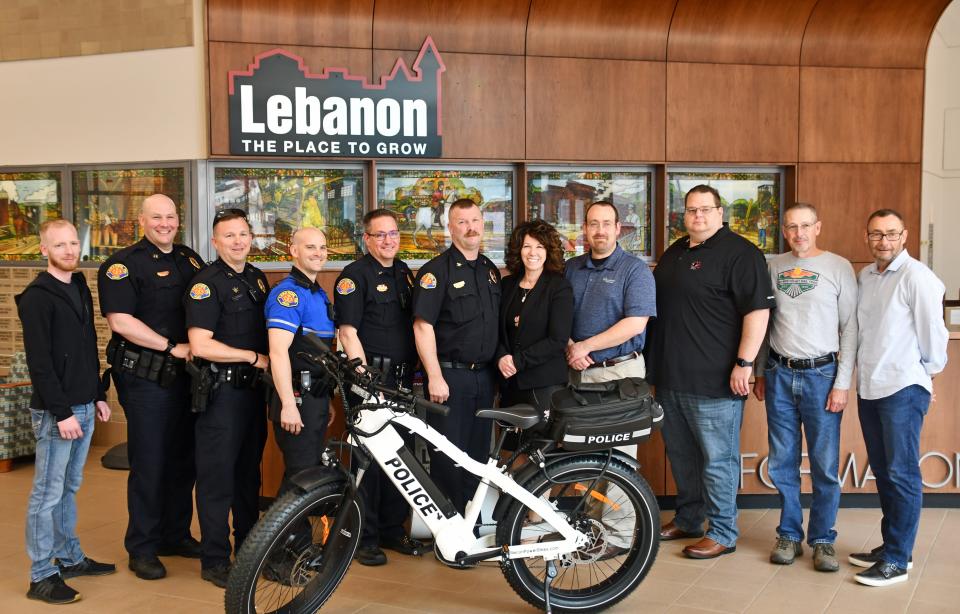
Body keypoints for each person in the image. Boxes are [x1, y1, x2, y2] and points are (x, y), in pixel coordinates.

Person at [647, 184, 774, 559]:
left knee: (718, 460)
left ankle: (722, 531)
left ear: (720, 213)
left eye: (705, 210)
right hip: (671, 379)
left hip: (716, 381)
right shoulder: (675, 253)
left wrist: (745, 364)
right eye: (691, 210)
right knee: (682, 457)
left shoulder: (742, 254)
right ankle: (689, 518)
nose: (697, 216)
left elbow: (758, 313)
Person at [98, 194, 204, 580]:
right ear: (142, 220)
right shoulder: (122, 266)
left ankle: (174, 535)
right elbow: (121, 322)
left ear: (179, 219)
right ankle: (142, 546)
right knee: (150, 463)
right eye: (156, 217)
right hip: (146, 377)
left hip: (186, 377)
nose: (164, 223)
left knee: (183, 458)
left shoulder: (189, 258)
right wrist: (171, 347)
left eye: (171, 216)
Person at [752, 203, 858, 572]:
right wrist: (761, 372)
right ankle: (789, 535)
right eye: (792, 227)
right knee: (782, 463)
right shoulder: (772, 265)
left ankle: (824, 539)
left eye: (806, 226)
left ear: (818, 227)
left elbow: (851, 330)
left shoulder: (839, 267)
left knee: (825, 465)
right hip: (781, 375)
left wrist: (842, 383)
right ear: (784, 230)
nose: (799, 233)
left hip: (823, 376)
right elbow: (765, 323)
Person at [849, 209, 948, 587]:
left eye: (891, 234)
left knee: (902, 473)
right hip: (871, 386)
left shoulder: (917, 278)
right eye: (877, 234)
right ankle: (891, 543)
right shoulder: (867, 276)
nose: (884, 241)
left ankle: (898, 559)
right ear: (867, 237)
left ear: (905, 236)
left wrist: (926, 376)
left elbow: (934, 337)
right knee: (886, 472)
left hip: (903, 388)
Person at [18, 220, 115, 604]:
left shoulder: (77, 285)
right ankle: (41, 574)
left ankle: (70, 559)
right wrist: (62, 414)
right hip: (58, 413)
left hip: (84, 406)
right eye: (60, 245)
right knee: (46, 493)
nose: (70, 250)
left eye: (74, 243)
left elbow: (88, 344)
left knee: (68, 489)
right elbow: (39, 365)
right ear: (44, 250)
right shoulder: (35, 298)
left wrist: (97, 394)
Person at [184, 209, 269, 587]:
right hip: (221, 394)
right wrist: (252, 357)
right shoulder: (206, 283)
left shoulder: (258, 278)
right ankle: (215, 558)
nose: (237, 241)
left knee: (248, 477)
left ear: (251, 237)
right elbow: (201, 345)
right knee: (218, 478)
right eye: (228, 236)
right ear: (215, 243)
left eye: (242, 234)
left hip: (252, 393)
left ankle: (249, 551)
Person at [335, 209, 424, 567]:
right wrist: (364, 379)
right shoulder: (353, 277)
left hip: (402, 381)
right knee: (368, 461)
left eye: (393, 234)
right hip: (370, 381)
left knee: (401, 454)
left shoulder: (404, 272)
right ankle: (364, 536)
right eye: (380, 235)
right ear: (367, 239)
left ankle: (391, 527)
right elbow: (348, 331)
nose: (388, 240)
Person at [413, 198, 500, 518]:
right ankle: (446, 529)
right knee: (448, 455)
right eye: (462, 222)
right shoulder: (435, 272)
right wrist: (434, 375)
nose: (471, 227)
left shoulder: (490, 270)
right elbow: (423, 327)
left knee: (478, 454)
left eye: (475, 220)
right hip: (450, 378)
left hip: (484, 377)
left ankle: (470, 524)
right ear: (449, 228)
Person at [265, 227, 336, 495]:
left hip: (314, 397)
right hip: (296, 398)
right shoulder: (289, 294)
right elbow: (278, 352)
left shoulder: (318, 293)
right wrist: (288, 404)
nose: (318, 253)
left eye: (322, 247)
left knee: (307, 473)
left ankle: (291, 537)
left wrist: (325, 399)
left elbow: (317, 356)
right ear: (293, 251)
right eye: (310, 247)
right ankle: (289, 537)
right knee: (301, 479)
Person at [565, 201, 655, 399]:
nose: (600, 230)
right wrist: (571, 347)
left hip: (620, 374)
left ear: (617, 228)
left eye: (606, 223)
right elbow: (556, 315)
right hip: (575, 372)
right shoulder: (570, 268)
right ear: (585, 228)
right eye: (594, 224)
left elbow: (635, 324)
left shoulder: (635, 270)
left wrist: (584, 347)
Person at [497, 220, 573, 417]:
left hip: (544, 384)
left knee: (537, 445)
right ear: (518, 250)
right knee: (509, 445)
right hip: (509, 382)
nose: (533, 253)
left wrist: (517, 362)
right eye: (527, 246)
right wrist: (501, 357)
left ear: (549, 251)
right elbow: (495, 329)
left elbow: (558, 339)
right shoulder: (507, 284)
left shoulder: (559, 287)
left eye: (540, 246)